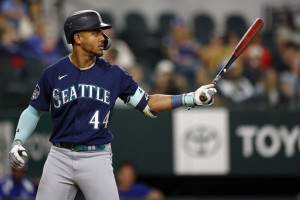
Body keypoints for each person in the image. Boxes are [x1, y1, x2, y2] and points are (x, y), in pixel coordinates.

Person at [8, 10, 217, 200]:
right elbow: (34, 110)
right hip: (59, 157)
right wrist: (18, 141)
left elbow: (148, 103)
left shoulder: (114, 74)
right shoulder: (52, 73)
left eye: (102, 32)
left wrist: (190, 97)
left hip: (96, 157)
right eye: (96, 33)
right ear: (77, 37)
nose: (103, 38)